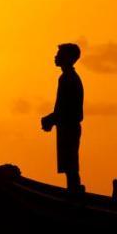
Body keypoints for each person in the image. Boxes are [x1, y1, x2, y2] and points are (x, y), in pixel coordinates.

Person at [41, 42, 84, 192]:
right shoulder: (67, 77)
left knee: (70, 164)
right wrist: (52, 119)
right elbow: (62, 108)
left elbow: (66, 108)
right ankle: (74, 190)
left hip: (69, 127)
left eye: (59, 54)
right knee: (69, 164)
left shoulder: (68, 78)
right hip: (66, 126)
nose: (55, 57)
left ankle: (74, 191)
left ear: (69, 58)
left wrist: (50, 120)